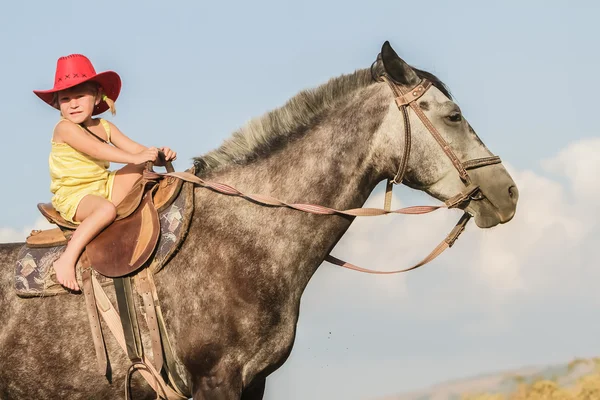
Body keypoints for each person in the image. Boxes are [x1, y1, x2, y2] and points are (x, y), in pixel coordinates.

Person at [33, 54, 176, 291]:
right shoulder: (64, 128)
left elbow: (139, 150)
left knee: (146, 170)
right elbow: (98, 150)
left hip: (104, 185)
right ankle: (67, 259)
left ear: (97, 96)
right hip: (75, 195)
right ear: (58, 104)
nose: (74, 103)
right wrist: (135, 158)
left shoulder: (105, 126)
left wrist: (160, 154)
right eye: (66, 99)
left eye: (80, 96)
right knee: (105, 209)